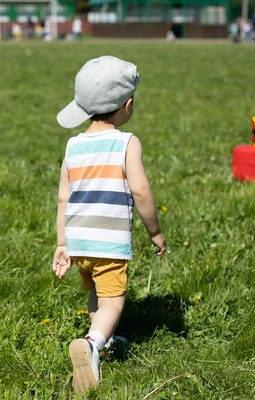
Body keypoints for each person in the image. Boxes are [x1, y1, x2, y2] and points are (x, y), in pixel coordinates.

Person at [53, 56, 167, 395]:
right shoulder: (126, 142)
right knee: (114, 300)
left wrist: (62, 243)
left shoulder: (73, 145)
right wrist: (155, 232)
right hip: (109, 244)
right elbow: (141, 190)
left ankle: (101, 336)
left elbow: (63, 198)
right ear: (126, 105)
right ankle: (92, 343)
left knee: (96, 294)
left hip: (78, 243)